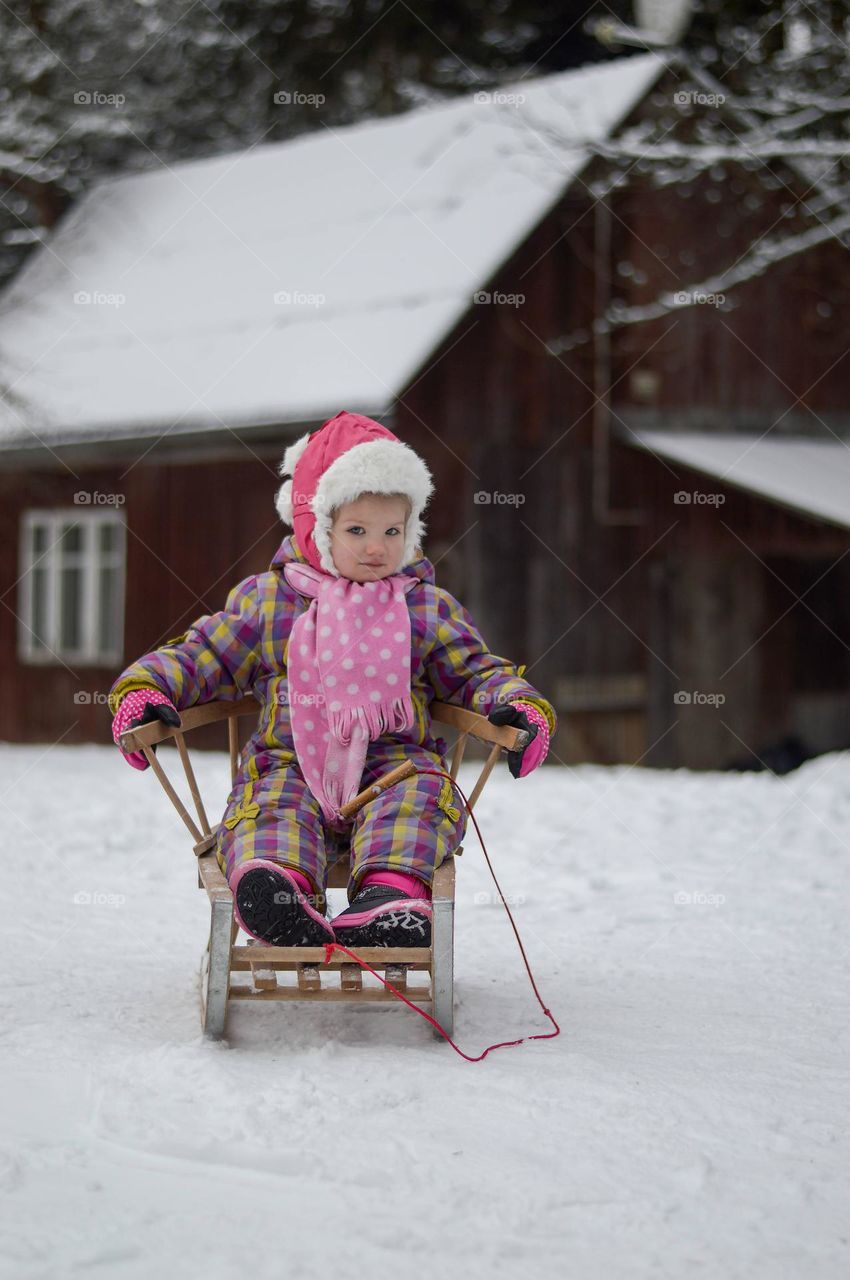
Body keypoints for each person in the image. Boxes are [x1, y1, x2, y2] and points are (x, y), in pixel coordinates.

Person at [109, 411, 556, 948]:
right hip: (291, 758)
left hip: (394, 763)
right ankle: (279, 894)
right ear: (316, 529)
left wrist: (518, 707)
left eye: (393, 531)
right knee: (271, 805)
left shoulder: (423, 608)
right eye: (357, 531)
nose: (377, 548)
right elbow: (202, 653)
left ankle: (388, 899)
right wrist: (145, 692)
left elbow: (476, 670)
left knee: (421, 796)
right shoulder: (270, 602)